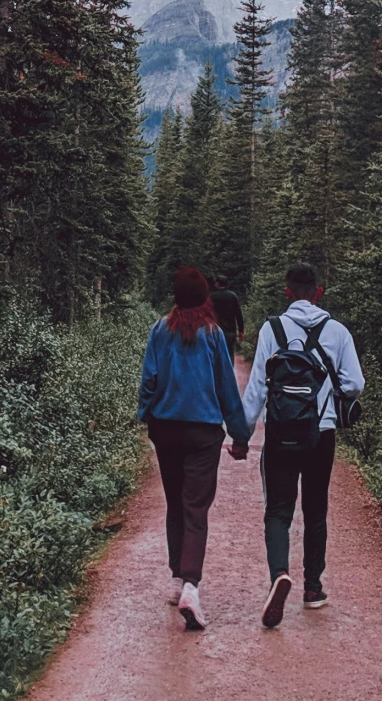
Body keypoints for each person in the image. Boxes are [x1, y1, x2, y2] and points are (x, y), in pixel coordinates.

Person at [239, 262, 365, 628]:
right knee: (315, 509)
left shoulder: (271, 329)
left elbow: (258, 388)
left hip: (280, 433)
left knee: (278, 510)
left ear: (288, 292)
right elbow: (354, 383)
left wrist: (243, 435)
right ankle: (313, 588)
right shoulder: (337, 331)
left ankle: (279, 574)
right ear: (319, 292)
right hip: (320, 433)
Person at [137, 265, 254, 630]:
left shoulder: (160, 329)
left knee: (175, 501)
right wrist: (239, 435)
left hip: (166, 428)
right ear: (206, 298)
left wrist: (147, 415)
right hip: (203, 432)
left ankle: (176, 578)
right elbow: (225, 387)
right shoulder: (214, 334)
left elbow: (149, 378)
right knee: (195, 508)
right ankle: (190, 584)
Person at [208, 273, 245, 357]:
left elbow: (207, 314)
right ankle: (230, 369)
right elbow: (238, 314)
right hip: (230, 331)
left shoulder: (212, 297)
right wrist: (241, 330)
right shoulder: (233, 296)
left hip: (215, 331)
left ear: (217, 283)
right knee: (230, 354)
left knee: (216, 355)